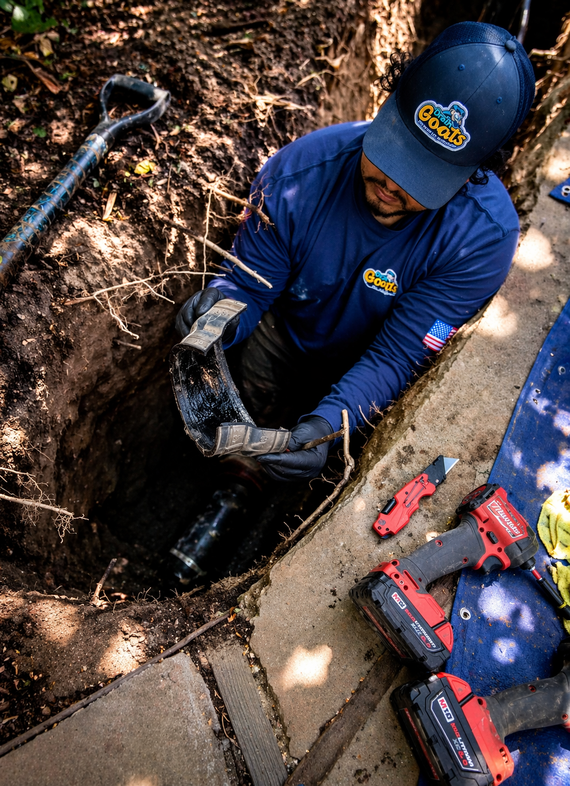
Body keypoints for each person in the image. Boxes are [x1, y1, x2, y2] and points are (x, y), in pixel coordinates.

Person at [169, 21, 534, 581]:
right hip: (285, 332)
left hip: (365, 361)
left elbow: (392, 358)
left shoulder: (480, 238)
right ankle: (238, 489)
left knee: (313, 453)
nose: (391, 183)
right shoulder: (300, 174)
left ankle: (280, 511)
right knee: (256, 403)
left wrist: (331, 427)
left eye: (422, 178)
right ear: (389, 105)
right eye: (393, 153)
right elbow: (249, 285)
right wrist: (216, 315)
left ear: (473, 174)